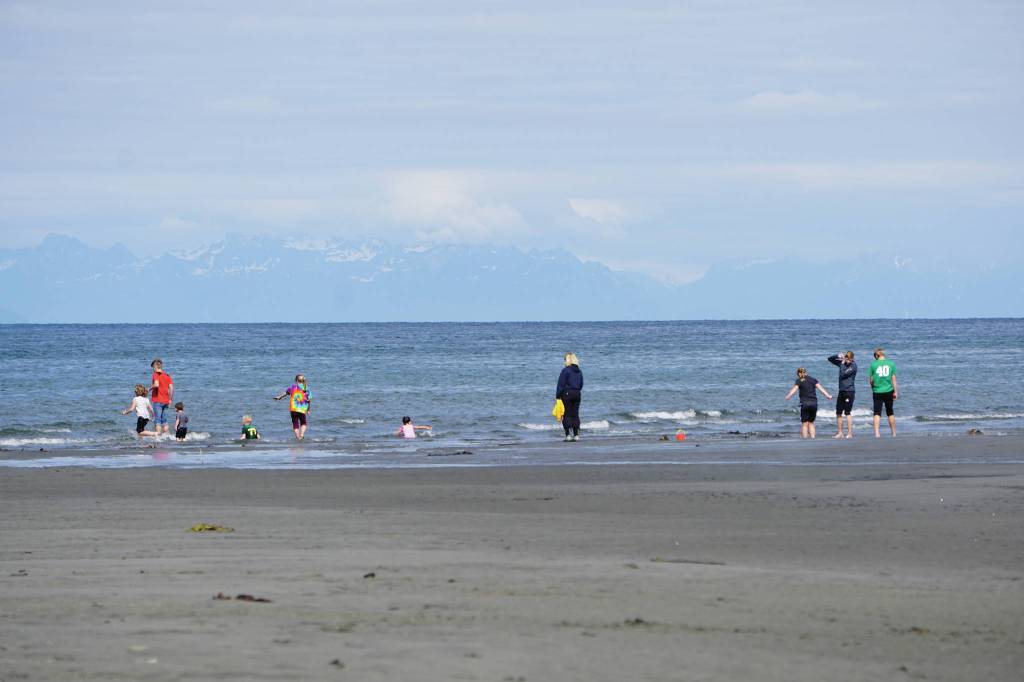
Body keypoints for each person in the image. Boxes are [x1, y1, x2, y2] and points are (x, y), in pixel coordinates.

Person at [784, 368, 832, 439]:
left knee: (804, 423)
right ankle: (813, 438)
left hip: (805, 404)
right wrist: (828, 396)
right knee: (811, 422)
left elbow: (794, 390)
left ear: (798, 374)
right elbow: (821, 388)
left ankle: (805, 438)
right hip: (814, 403)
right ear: (806, 372)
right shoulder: (813, 379)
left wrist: (788, 396)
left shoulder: (799, 380)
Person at [827, 351, 858, 439]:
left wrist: (843, 363)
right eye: (846, 358)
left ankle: (849, 433)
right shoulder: (842, 363)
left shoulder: (853, 366)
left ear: (852, 359)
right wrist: (838, 355)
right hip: (841, 391)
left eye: (849, 359)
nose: (847, 360)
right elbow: (830, 359)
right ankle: (840, 432)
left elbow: (843, 374)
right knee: (838, 412)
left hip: (849, 391)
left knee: (847, 412)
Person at [869, 348, 898, 438]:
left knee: (877, 412)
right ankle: (893, 433)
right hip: (889, 390)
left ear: (876, 355)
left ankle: (877, 433)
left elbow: (871, 380)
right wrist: (896, 391)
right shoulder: (891, 363)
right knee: (890, 412)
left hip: (877, 391)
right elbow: (894, 380)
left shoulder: (873, 364)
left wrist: (873, 387)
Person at [556, 352, 584, 442]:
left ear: (567, 360)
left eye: (564, 359)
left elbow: (561, 384)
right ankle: (576, 435)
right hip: (577, 393)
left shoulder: (566, 370)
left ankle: (568, 435)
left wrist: (558, 395)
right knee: (575, 414)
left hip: (567, 393)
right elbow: (581, 384)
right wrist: (576, 390)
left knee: (567, 414)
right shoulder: (579, 371)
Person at [274, 374, 311, 441]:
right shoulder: (307, 389)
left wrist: (279, 397)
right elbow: (309, 400)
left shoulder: (292, 387)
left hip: (293, 409)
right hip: (302, 410)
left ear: (296, 380)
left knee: (295, 424)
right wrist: (308, 409)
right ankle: (302, 435)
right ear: (303, 381)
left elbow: (285, 393)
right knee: (303, 423)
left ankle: (298, 437)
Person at [149, 359, 174, 435]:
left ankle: (158, 438)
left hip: (157, 400)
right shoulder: (167, 376)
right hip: (166, 401)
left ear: (156, 366)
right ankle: (165, 436)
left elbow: (156, 384)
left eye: (153, 367)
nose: (153, 369)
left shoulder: (156, 374)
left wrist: (148, 389)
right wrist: (170, 400)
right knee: (164, 420)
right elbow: (171, 388)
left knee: (157, 420)